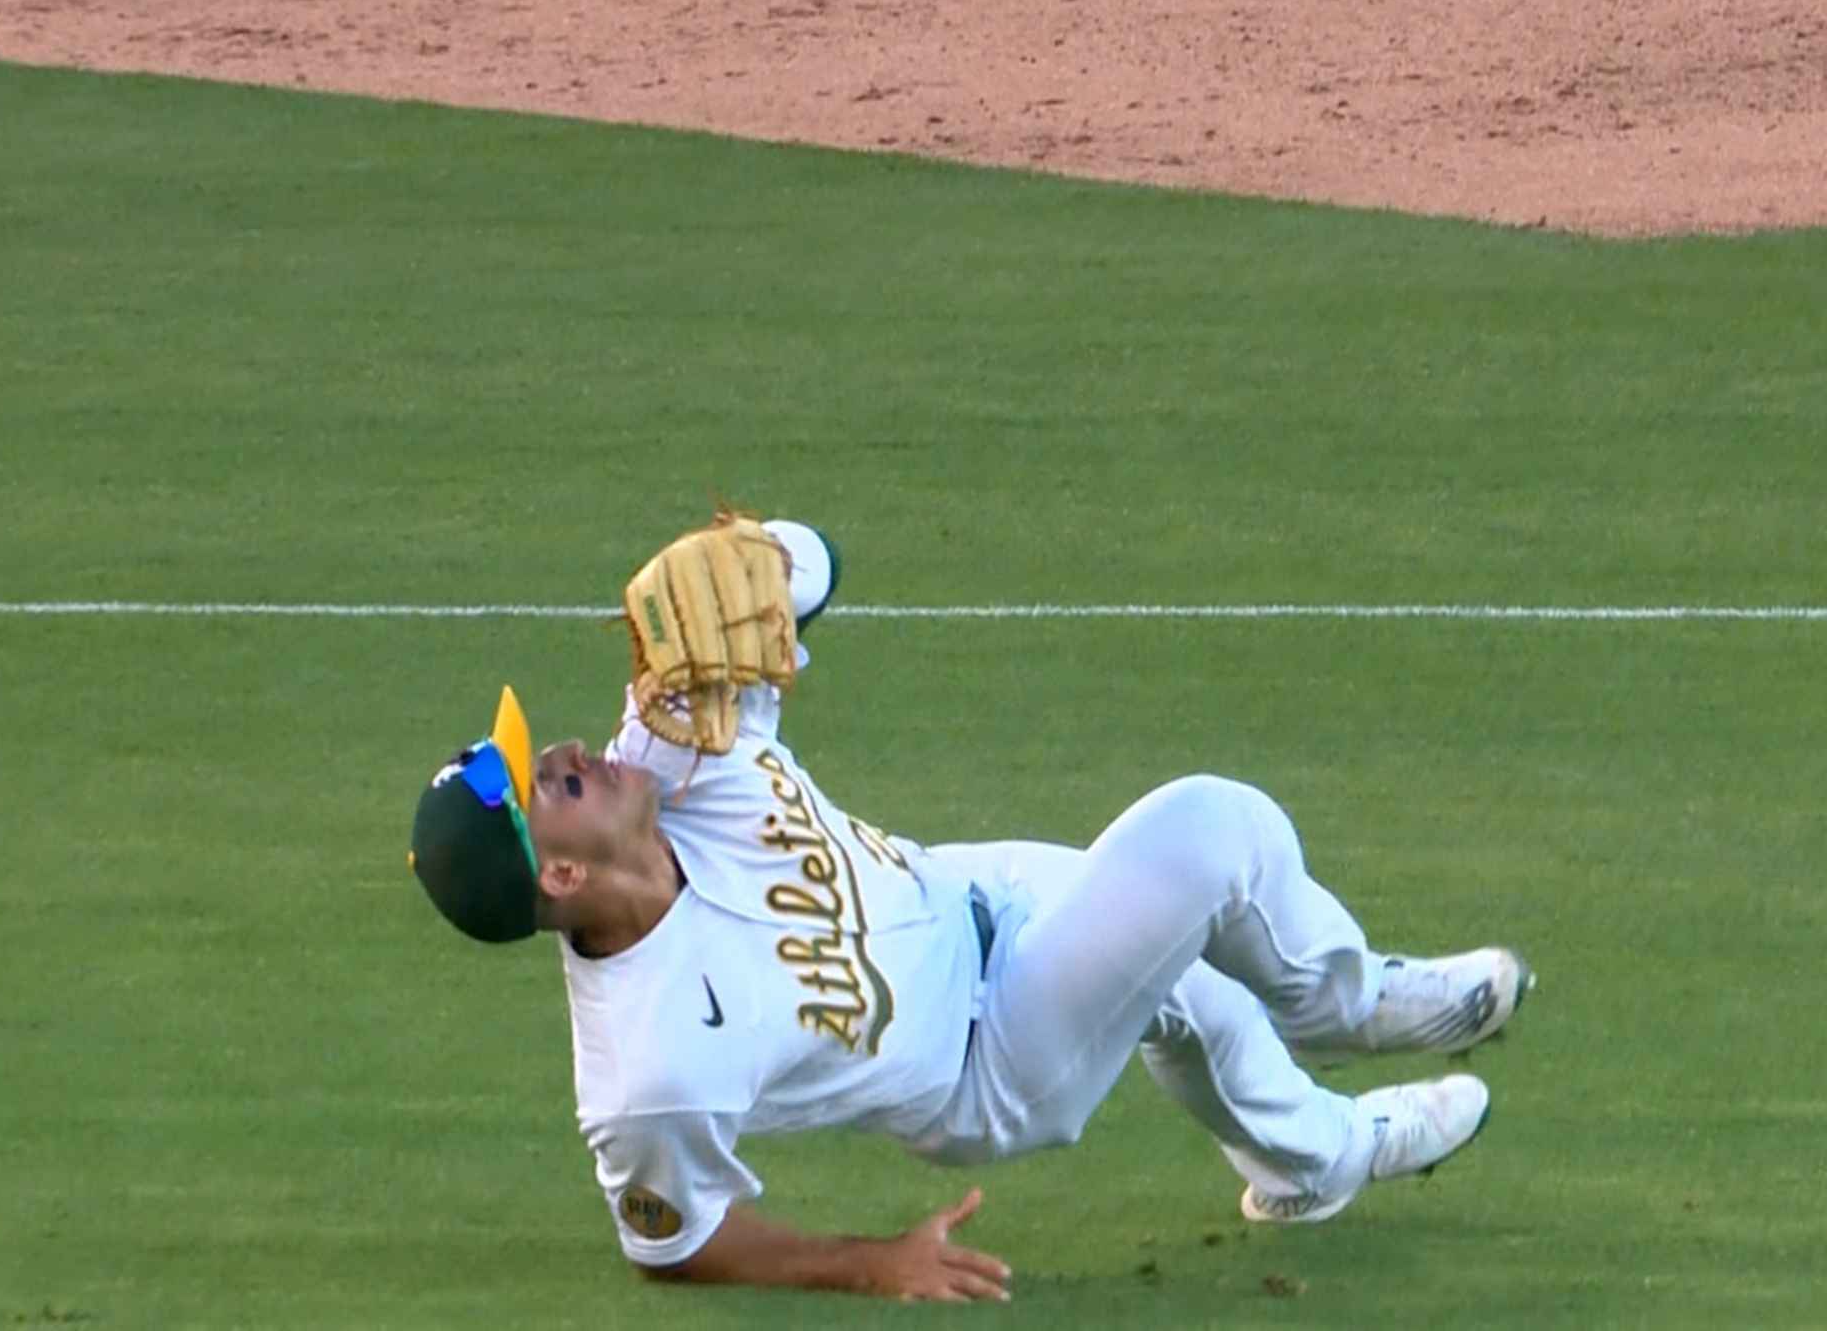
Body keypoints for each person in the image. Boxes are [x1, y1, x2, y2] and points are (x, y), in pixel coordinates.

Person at [407, 519, 1532, 1302]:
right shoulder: (645, 1069)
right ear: (559, 878)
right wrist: (872, 1262)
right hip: (983, 1064)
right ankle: (1348, 1004)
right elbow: (674, 1242)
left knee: (1199, 1005)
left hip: (971, 887)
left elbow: (801, 568)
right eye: (549, 785)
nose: (566, 753)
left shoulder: (668, 751)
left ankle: (1316, 1166)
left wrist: (761, 557)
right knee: (1209, 832)